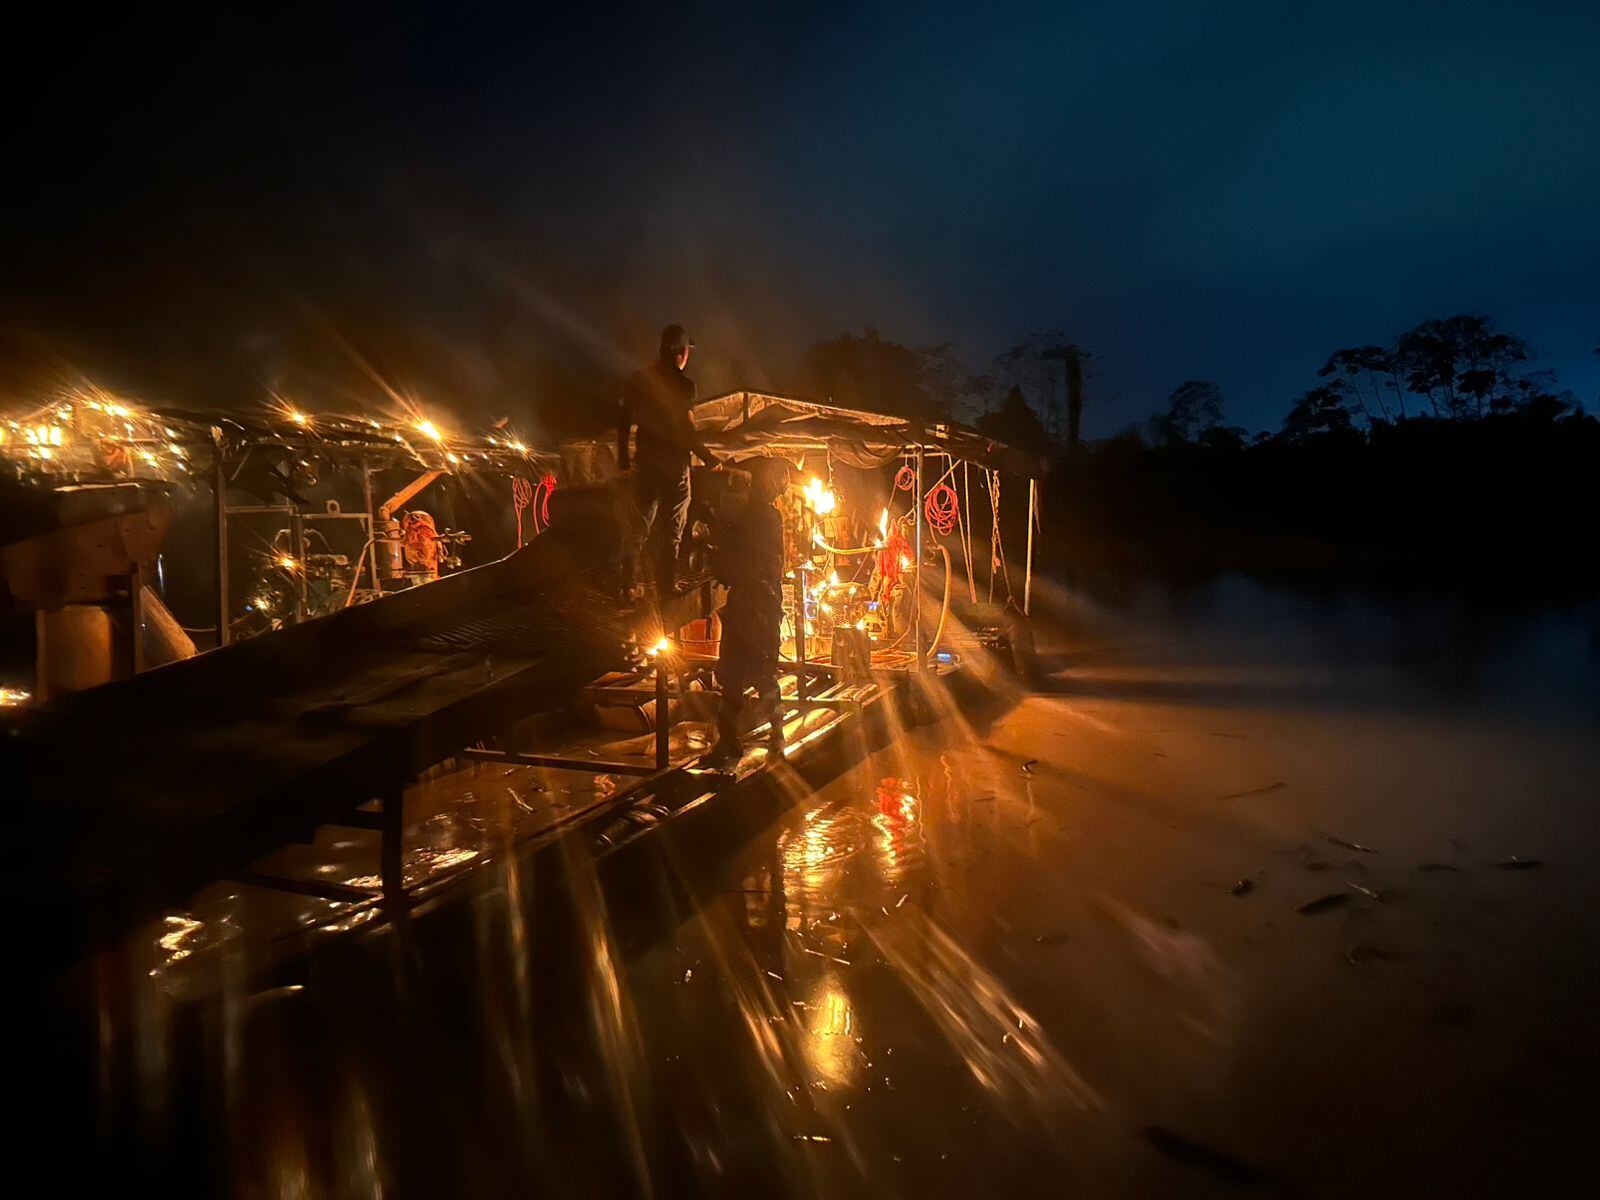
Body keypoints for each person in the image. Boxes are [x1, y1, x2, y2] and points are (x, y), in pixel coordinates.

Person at [618, 324, 721, 599]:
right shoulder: (685, 386)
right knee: (672, 529)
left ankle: (627, 583)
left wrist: (623, 456)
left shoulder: (639, 380)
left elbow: (624, 417)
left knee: (639, 524)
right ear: (681, 352)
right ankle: (666, 585)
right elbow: (685, 431)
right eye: (688, 352)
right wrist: (708, 457)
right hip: (674, 467)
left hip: (646, 464)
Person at [704, 457, 789, 768]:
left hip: (758, 605)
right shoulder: (761, 515)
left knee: (759, 675)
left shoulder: (760, 516)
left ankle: (774, 736)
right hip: (749, 604)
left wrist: (715, 532)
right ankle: (730, 741)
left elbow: (736, 553)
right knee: (734, 676)